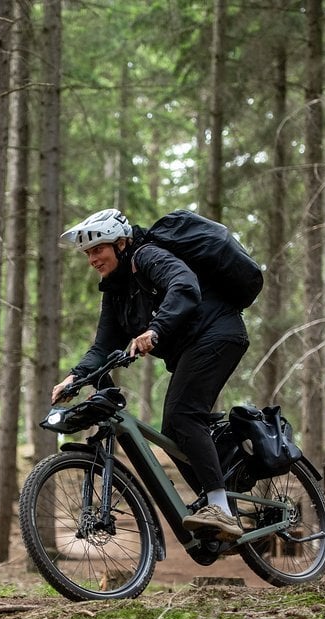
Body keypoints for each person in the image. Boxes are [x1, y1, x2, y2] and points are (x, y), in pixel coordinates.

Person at [52, 208, 249, 539]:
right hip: (192, 346)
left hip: (219, 332)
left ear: (121, 243)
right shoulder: (114, 292)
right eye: (88, 253)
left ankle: (221, 509)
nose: (92, 260)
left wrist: (155, 329)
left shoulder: (146, 255)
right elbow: (102, 347)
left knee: (183, 415)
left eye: (98, 249)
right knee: (173, 428)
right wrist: (75, 377)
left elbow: (184, 285)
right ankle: (217, 498)